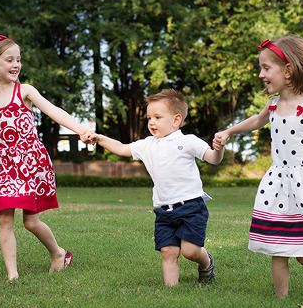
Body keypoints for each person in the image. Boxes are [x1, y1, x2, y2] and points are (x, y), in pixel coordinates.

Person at [213, 36, 303, 298]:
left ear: (288, 70)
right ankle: (280, 300)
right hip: (279, 183)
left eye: (266, 68)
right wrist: (229, 131)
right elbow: (257, 121)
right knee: (276, 247)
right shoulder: (272, 104)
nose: (261, 74)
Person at [0, 35, 93, 280]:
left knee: (30, 222)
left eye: (18, 60)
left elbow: (53, 110)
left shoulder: (24, 91)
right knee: (4, 220)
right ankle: (12, 276)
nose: (16, 65)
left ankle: (58, 253)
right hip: (3, 164)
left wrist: (80, 130)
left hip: (29, 162)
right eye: (9, 60)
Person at [89, 89, 224, 286]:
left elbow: (213, 159)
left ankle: (206, 262)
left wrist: (218, 150)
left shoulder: (187, 141)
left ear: (176, 120)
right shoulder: (147, 145)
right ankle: (171, 293)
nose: (151, 122)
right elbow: (121, 147)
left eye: (158, 117)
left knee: (190, 251)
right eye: (149, 118)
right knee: (168, 251)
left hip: (191, 207)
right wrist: (100, 138)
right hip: (163, 210)